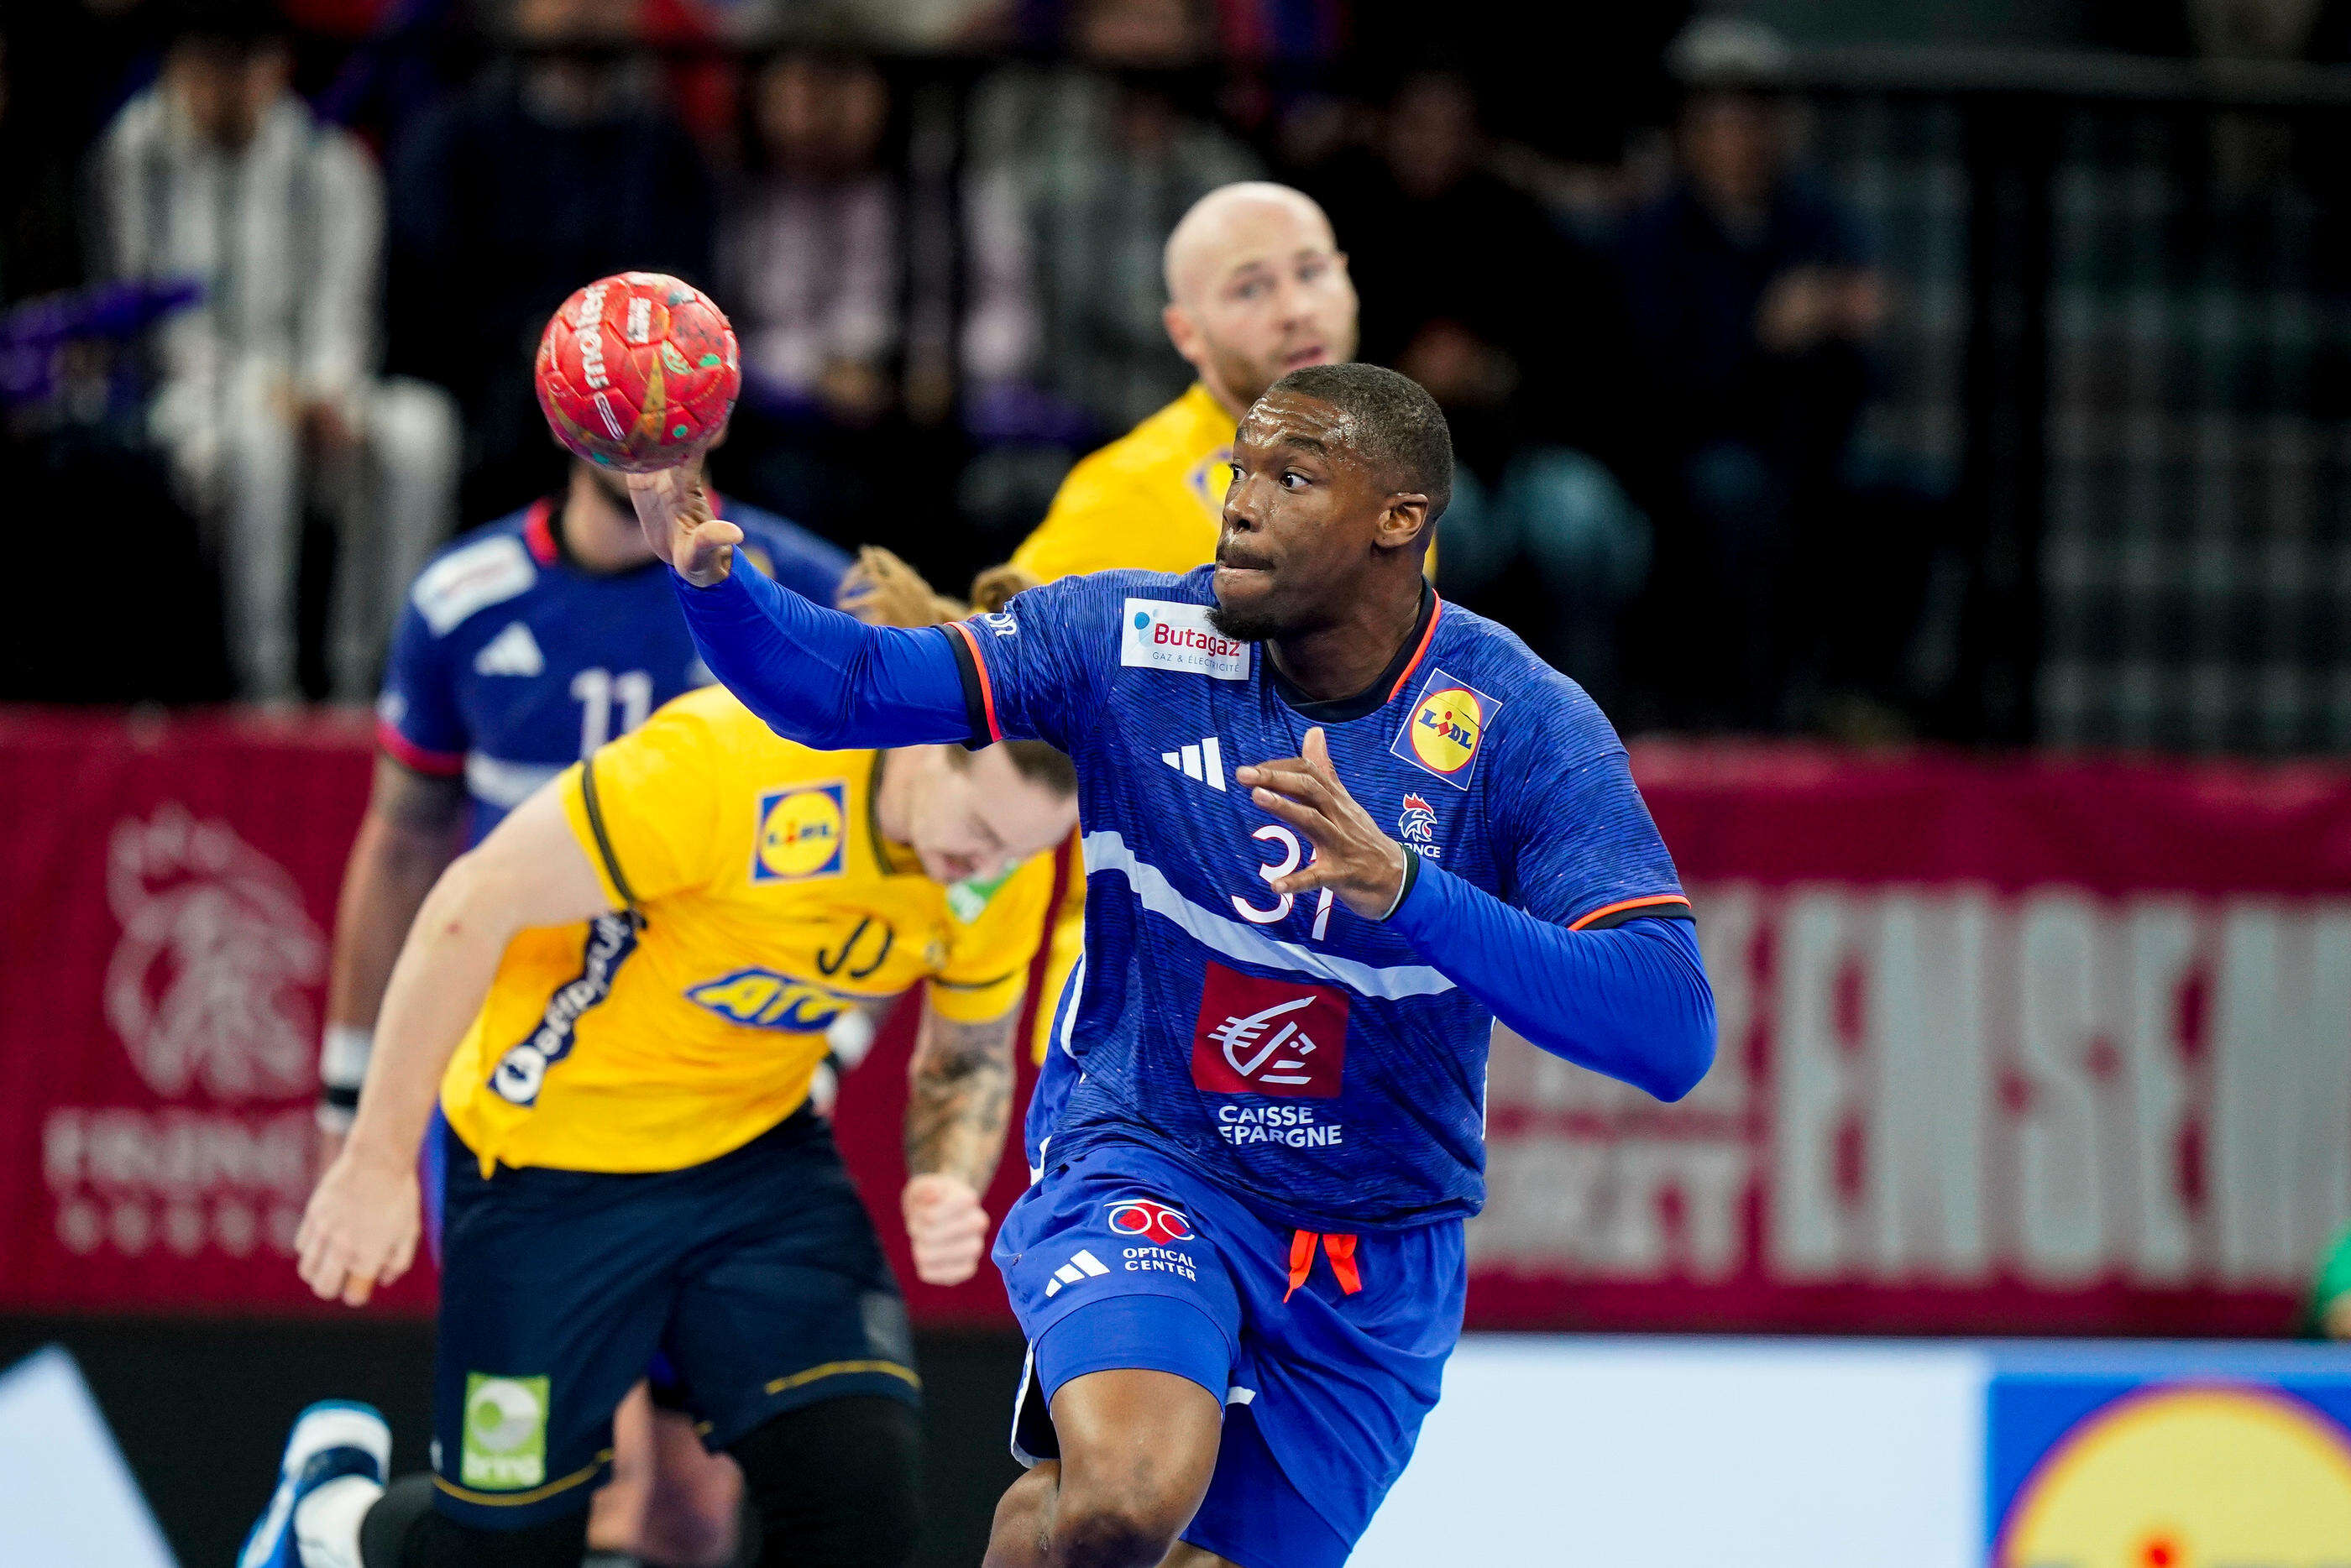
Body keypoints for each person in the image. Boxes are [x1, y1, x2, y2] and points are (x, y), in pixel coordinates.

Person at [631, 361, 1716, 1568]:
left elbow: (1671, 1032)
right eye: (1240, 470)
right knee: (1125, 1503)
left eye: (1291, 478)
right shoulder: (1124, 638)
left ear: (1400, 521)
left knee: (1117, 1551)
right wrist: (712, 586)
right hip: (1154, 1152)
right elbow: (851, 689)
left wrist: (1407, 892)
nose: (1239, 504)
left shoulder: (1522, 723)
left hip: (1380, 1239)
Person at [246, 675, 1079, 1568]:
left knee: (859, 1493)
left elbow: (968, 1051)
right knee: (505, 1550)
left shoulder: (1001, 862)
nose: (989, 868)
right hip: (549, 1165)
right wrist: (373, 1159)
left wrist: (945, 1174)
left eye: (1021, 849)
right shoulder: (729, 760)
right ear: (922, 742)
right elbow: (470, 900)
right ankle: (327, 1516)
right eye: (983, 834)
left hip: (755, 1158)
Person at [315, 452, 847, 1566]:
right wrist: (353, 1094)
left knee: (694, 1514)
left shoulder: (799, 585)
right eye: (623, 419)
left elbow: (897, 840)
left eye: (681, 417)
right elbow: (405, 845)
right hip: (523, 1087)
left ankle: (330, 1526)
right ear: (570, 420)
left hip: (707, 1099)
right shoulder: (467, 598)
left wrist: (830, 1044)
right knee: (591, 1490)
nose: (652, 446)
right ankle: (333, 1523)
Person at [94, 0, 461, 698]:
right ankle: (266, 682)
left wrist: (327, 389)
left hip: (313, 384)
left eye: (243, 64)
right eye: (205, 65)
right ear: (177, 66)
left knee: (422, 431)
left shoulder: (328, 160)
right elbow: (151, 312)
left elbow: (342, 307)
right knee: (260, 438)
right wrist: (265, 388)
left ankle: (375, 679)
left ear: (275, 68)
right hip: (184, 394)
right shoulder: (137, 153)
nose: (223, 86)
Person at [1615, 18, 1886, 728]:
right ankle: (1743, 706)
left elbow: (1867, 345)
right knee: (1733, 495)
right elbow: (1658, 385)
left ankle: (1862, 695)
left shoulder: (1815, 217)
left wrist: (1840, 326)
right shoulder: (1655, 233)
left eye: (1754, 119)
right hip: (1688, 450)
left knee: (1897, 493)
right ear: (1685, 134)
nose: (1739, 139)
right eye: (1718, 121)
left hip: (1808, 440)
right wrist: (1761, 339)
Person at [385, 0, 716, 521]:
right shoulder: (455, 140)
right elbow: (422, 303)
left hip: (634, 387)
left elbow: (690, 294)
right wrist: (550, 353)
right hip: (487, 388)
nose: (586, 10)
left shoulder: (668, 152)